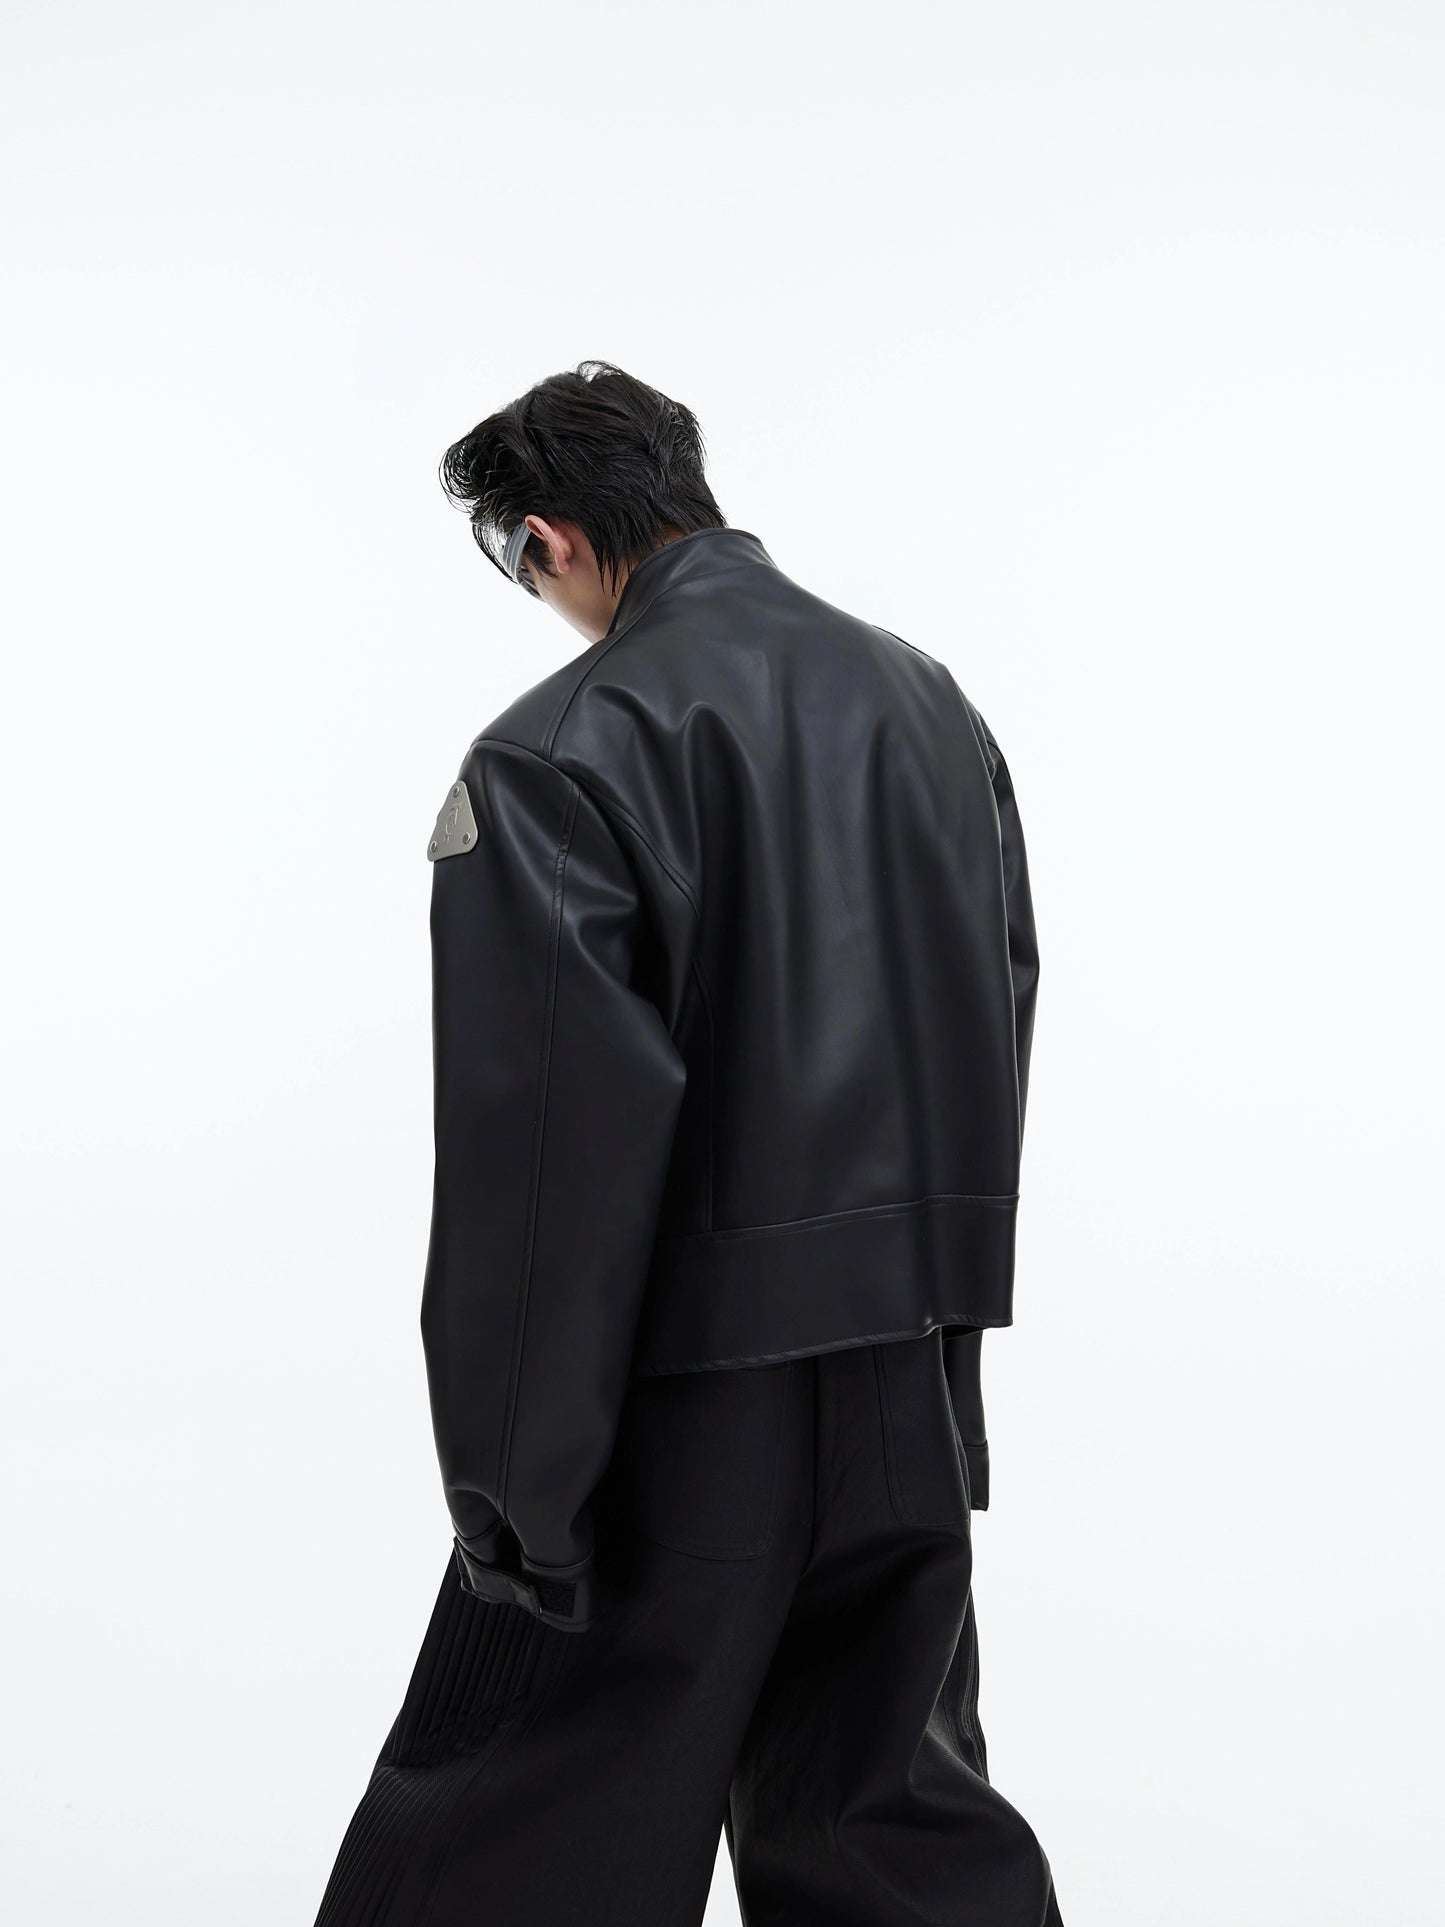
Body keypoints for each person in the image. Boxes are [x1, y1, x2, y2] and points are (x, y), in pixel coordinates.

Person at [312, 359, 1063, 1926]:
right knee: (882, 1819)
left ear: (546, 540)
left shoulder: (560, 749)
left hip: (677, 1402)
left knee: (506, 1824)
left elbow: (543, 1165)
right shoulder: (927, 704)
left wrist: (513, 1499)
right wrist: (947, 1365)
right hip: (900, 1373)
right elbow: (993, 1019)